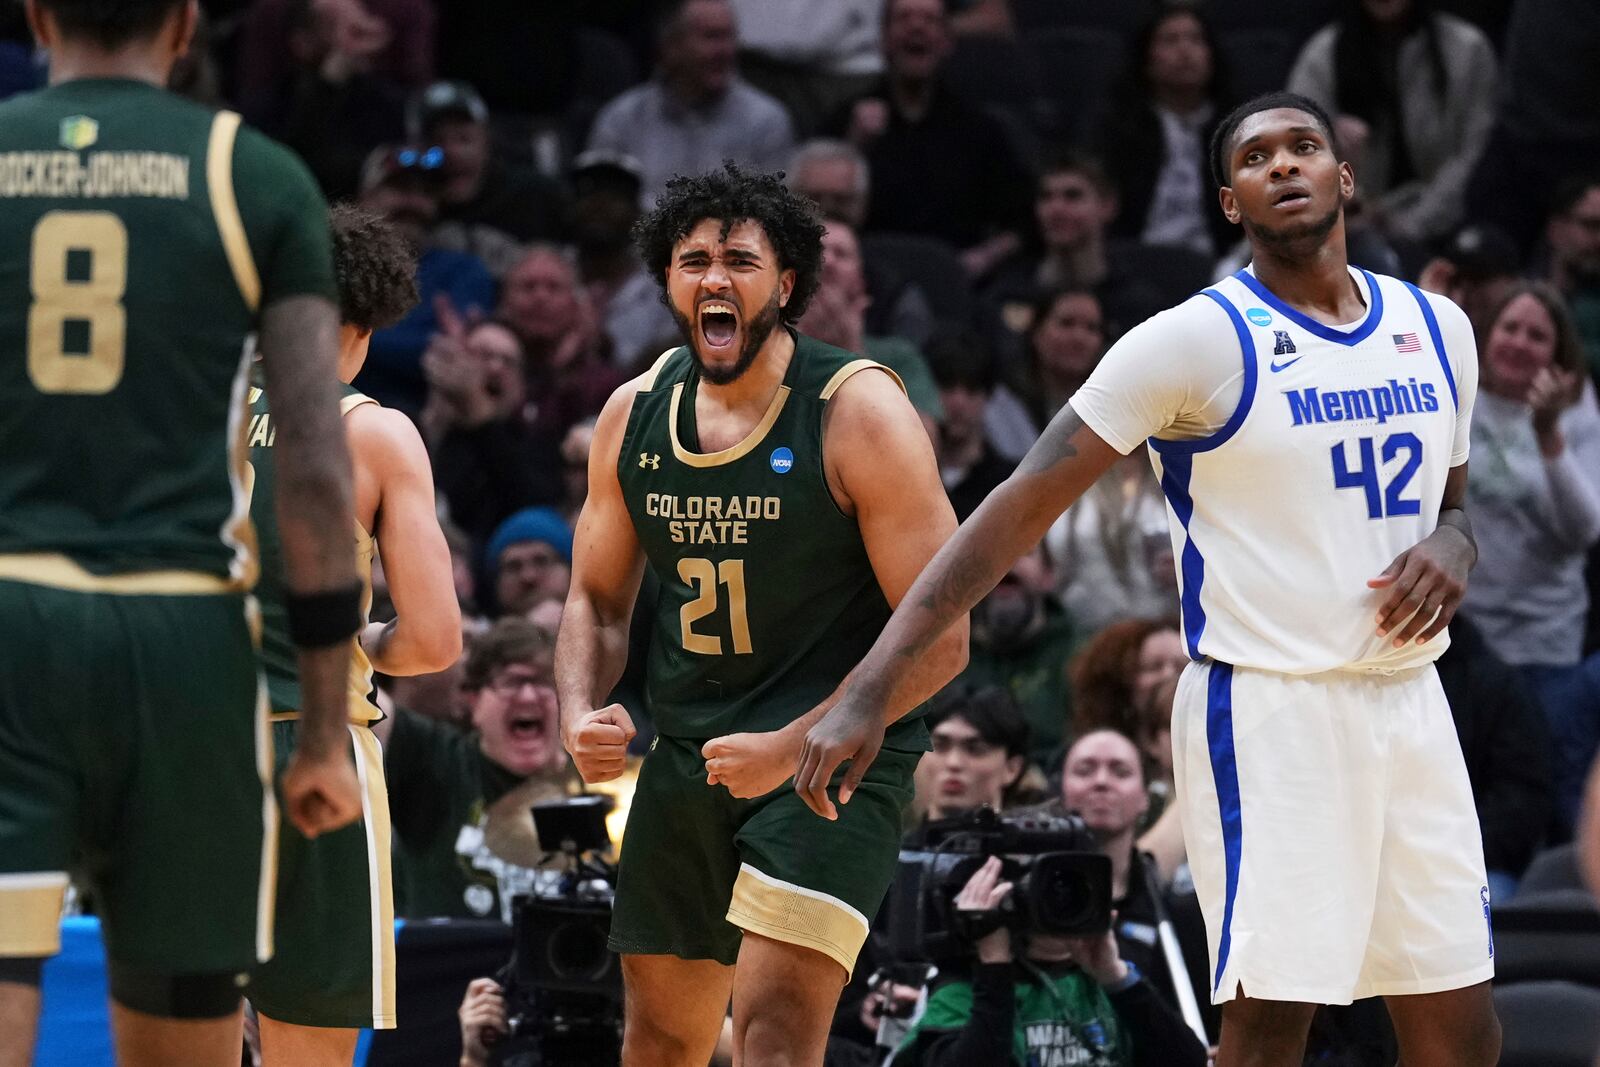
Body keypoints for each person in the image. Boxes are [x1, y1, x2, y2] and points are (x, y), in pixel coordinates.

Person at [795, 91, 1501, 1067]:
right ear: (1227, 200)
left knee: (1462, 1032)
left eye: (1305, 148)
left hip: (1410, 702)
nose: (1284, 166)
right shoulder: (1191, 342)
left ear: (1347, 177)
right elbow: (1010, 514)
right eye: (1258, 157)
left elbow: (1454, 505)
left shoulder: (1438, 328)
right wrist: (870, 685)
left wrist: (1455, 544)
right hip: (1270, 711)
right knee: (1267, 1029)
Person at [0, 2, 364, 1065]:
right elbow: (312, 461)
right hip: (186, 642)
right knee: (184, 1010)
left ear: (35, 15)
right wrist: (325, 731)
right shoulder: (256, 175)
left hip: (11, 616)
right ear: (186, 25)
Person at [556, 163, 966, 1066]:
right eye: (692, 258)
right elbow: (594, 597)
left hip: (836, 758)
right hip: (690, 757)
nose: (713, 278)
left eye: (740, 259)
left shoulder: (856, 409)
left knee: (776, 1038)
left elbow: (943, 635)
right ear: (665, 279)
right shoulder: (633, 414)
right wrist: (578, 706)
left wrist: (792, 745)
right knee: (660, 1039)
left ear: (785, 284)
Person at [246, 205, 462, 1064]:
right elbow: (437, 639)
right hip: (314, 748)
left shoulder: (180, 417)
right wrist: (366, 640)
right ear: (368, 320)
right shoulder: (372, 432)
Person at [1458, 282, 1600, 832]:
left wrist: (1547, 434)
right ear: (1487, 334)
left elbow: (1583, 530)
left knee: (1548, 793)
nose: (1519, 343)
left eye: (1538, 336)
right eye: (1509, 328)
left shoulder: (1576, 409)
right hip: (1465, 639)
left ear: (1558, 357)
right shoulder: (1457, 397)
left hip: (1546, 640)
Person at [892, 853, 1208, 1066]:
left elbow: (1189, 1061)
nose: (1063, 902)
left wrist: (1116, 977)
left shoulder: (1101, 985)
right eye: (1049, 887)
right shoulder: (964, 992)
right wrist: (994, 965)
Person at [381, 619, 573, 922]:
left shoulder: (601, 777)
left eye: (543, 683)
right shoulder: (437, 759)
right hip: (452, 965)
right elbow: (354, 693)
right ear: (473, 701)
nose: (528, 696)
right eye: (511, 682)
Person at [829, 0, 1030, 279]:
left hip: (955, 282)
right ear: (883, 41)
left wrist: (982, 259)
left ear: (947, 42)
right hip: (865, 278)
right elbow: (814, 208)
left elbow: (1024, 221)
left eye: (930, 19)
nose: (916, 27)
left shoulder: (979, 130)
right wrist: (853, 147)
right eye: (904, 18)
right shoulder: (846, 120)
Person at [1288, 0, 1497, 246]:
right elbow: (1292, 148)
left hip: (1450, 227)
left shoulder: (1467, 50)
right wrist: (1331, 143)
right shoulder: (1323, 54)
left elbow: (1474, 154)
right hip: (1349, 231)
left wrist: (1411, 225)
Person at [584, 0, 796, 205]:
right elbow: (601, 204)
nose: (725, 51)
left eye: (729, 37)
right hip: (638, 239)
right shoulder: (622, 119)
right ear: (671, 46)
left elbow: (772, 213)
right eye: (711, 37)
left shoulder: (766, 121)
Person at [352, 142, 494, 416]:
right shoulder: (333, 266)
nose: (415, 203)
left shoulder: (463, 271)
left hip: (428, 424)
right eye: (400, 189)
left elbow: (447, 356)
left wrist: (342, 337)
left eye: (426, 193)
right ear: (363, 198)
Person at [1098, 0, 1236, 262]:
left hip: (1219, 261)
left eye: (1195, 40)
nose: (1185, 51)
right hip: (1136, 258)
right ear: (1147, 59)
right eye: (1170, 41)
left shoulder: (1235, 125)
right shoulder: (1119, 127)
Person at [416, 79, 574, 279]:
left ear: (486, 141)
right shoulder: (411, 207)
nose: (451, 151)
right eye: (437, 141)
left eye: (463, 139)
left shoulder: (535, 196)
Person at [486, 507, 574, 617]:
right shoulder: (471, 633)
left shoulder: (598, 630)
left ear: (570, 570)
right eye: (513, 566)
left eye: (541, 562)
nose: (528, 577)